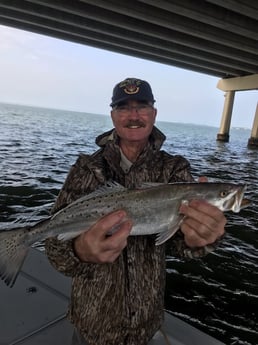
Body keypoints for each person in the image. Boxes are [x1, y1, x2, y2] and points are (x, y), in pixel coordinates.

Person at [45, 77, 226, 345]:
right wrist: (80, 251)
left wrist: (201, 239)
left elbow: (180, 245)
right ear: (113, 116)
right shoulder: (86, 169)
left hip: (146, 323)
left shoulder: (174, 170)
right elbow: (53, 248)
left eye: (141, 106)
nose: (133, 116)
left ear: (154, 113)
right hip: (92, 322)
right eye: (123, 107)